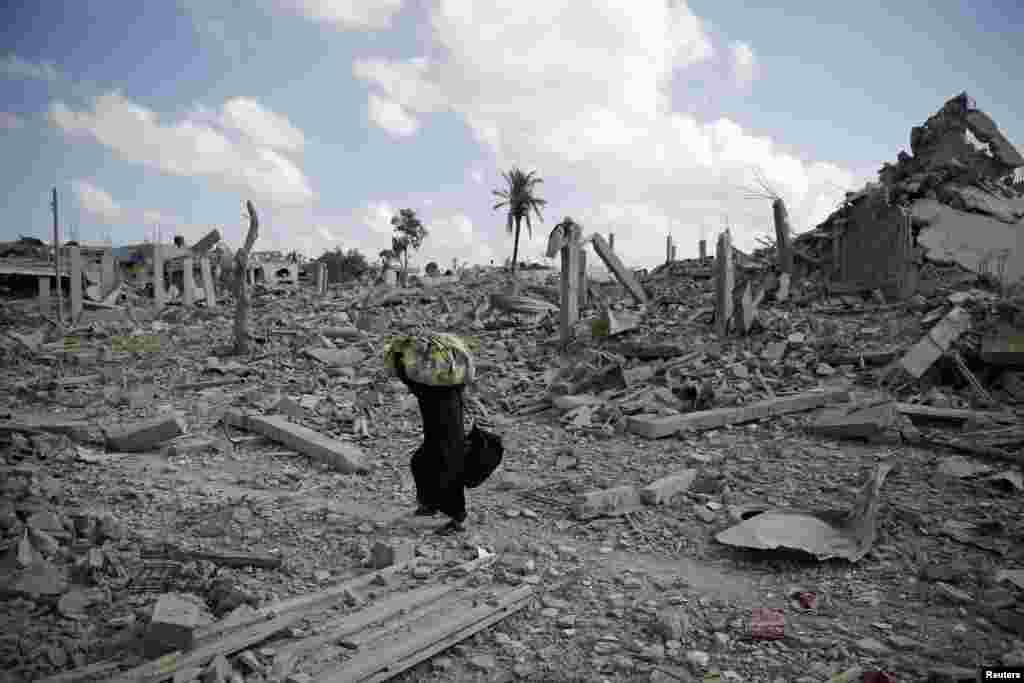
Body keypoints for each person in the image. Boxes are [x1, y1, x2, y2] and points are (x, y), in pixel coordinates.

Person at [394, 358, 468, 535]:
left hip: (447, 441)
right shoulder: (452, 386)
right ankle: (429, 505)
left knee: (448, 475)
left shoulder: (431, 389)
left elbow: (412, 382)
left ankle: (457, 519)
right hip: (441, 438)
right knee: (420, 463)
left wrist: (400, 365)